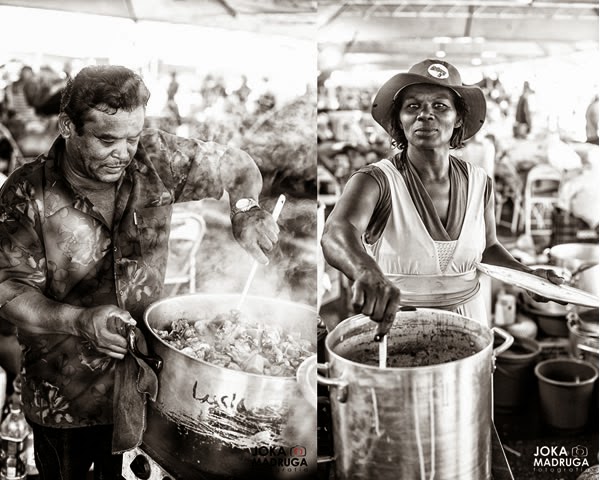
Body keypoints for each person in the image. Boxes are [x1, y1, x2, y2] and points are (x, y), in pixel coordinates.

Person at [0, 65, 279, 479]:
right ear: (67, 127)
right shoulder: (26, 192)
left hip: (150, 383)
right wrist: (77, 320)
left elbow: (236, 165)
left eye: (131, 137)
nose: (123, 152)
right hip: (66, 396)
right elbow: (8, 289)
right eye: (107, 139)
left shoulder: (155, 156)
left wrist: (244, 209)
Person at [321, 59, 561, 337]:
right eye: (413, 106)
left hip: (470, 321)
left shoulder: (479, 182)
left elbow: (488, 248)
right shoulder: (376, 181)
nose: (425, 115)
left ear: (458, 117)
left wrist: (528, 276)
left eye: (440, 106)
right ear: (400, 117)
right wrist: (365, 271)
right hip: (398, 326)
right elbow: (336, 232)